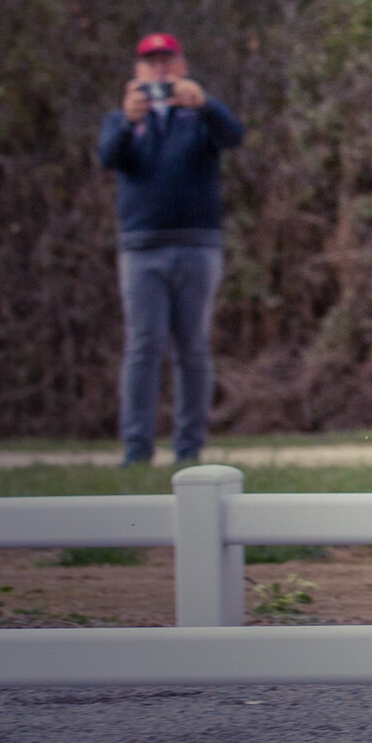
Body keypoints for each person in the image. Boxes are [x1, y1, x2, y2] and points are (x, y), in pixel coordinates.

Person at [95, 33, 244, 465]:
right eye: (151, 62)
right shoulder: (123, 119)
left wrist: (206, 104)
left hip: (198, 245)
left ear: (182, 66)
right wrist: (129, 121)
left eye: (167, 61)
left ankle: (189, 447)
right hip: (141, 249)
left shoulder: (198, 119)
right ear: (137, 71)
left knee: (193, 348)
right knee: (143, 347)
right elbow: (107, 157)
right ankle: (136, 448)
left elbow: (233, 137)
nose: (160, 70)